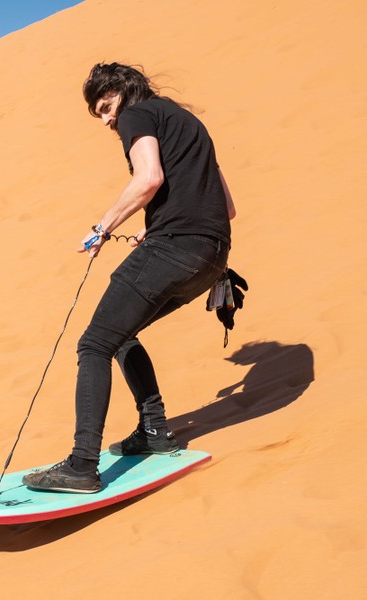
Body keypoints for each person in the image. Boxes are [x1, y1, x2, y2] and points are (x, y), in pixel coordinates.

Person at [22, 62, 237, 494]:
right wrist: (151, 227)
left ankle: (82, 465)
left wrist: (103, 226)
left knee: (95, 343)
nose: (107, 120)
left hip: (175, 248)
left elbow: (149, 179)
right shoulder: (188, 122)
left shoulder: (137, 114)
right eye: (99, 113)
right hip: (212, 255)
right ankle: (154, 431)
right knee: (121, 334)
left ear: (125, 91)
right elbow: (225, 206)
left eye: (106, 107)